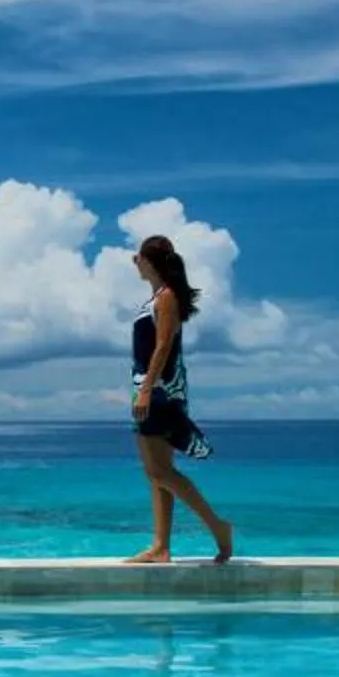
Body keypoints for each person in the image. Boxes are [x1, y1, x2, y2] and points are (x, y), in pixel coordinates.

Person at [124, 234, 233, 563]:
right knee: (158, 472)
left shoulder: (166, 298)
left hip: (160, 391)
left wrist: (145, 390)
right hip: (151, 388)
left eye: (138, 257)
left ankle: (218, 528)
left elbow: (164, 346)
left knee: (159, 472)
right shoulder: (157, 297)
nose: (135, 262)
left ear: (150, 262)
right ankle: (161, 547)